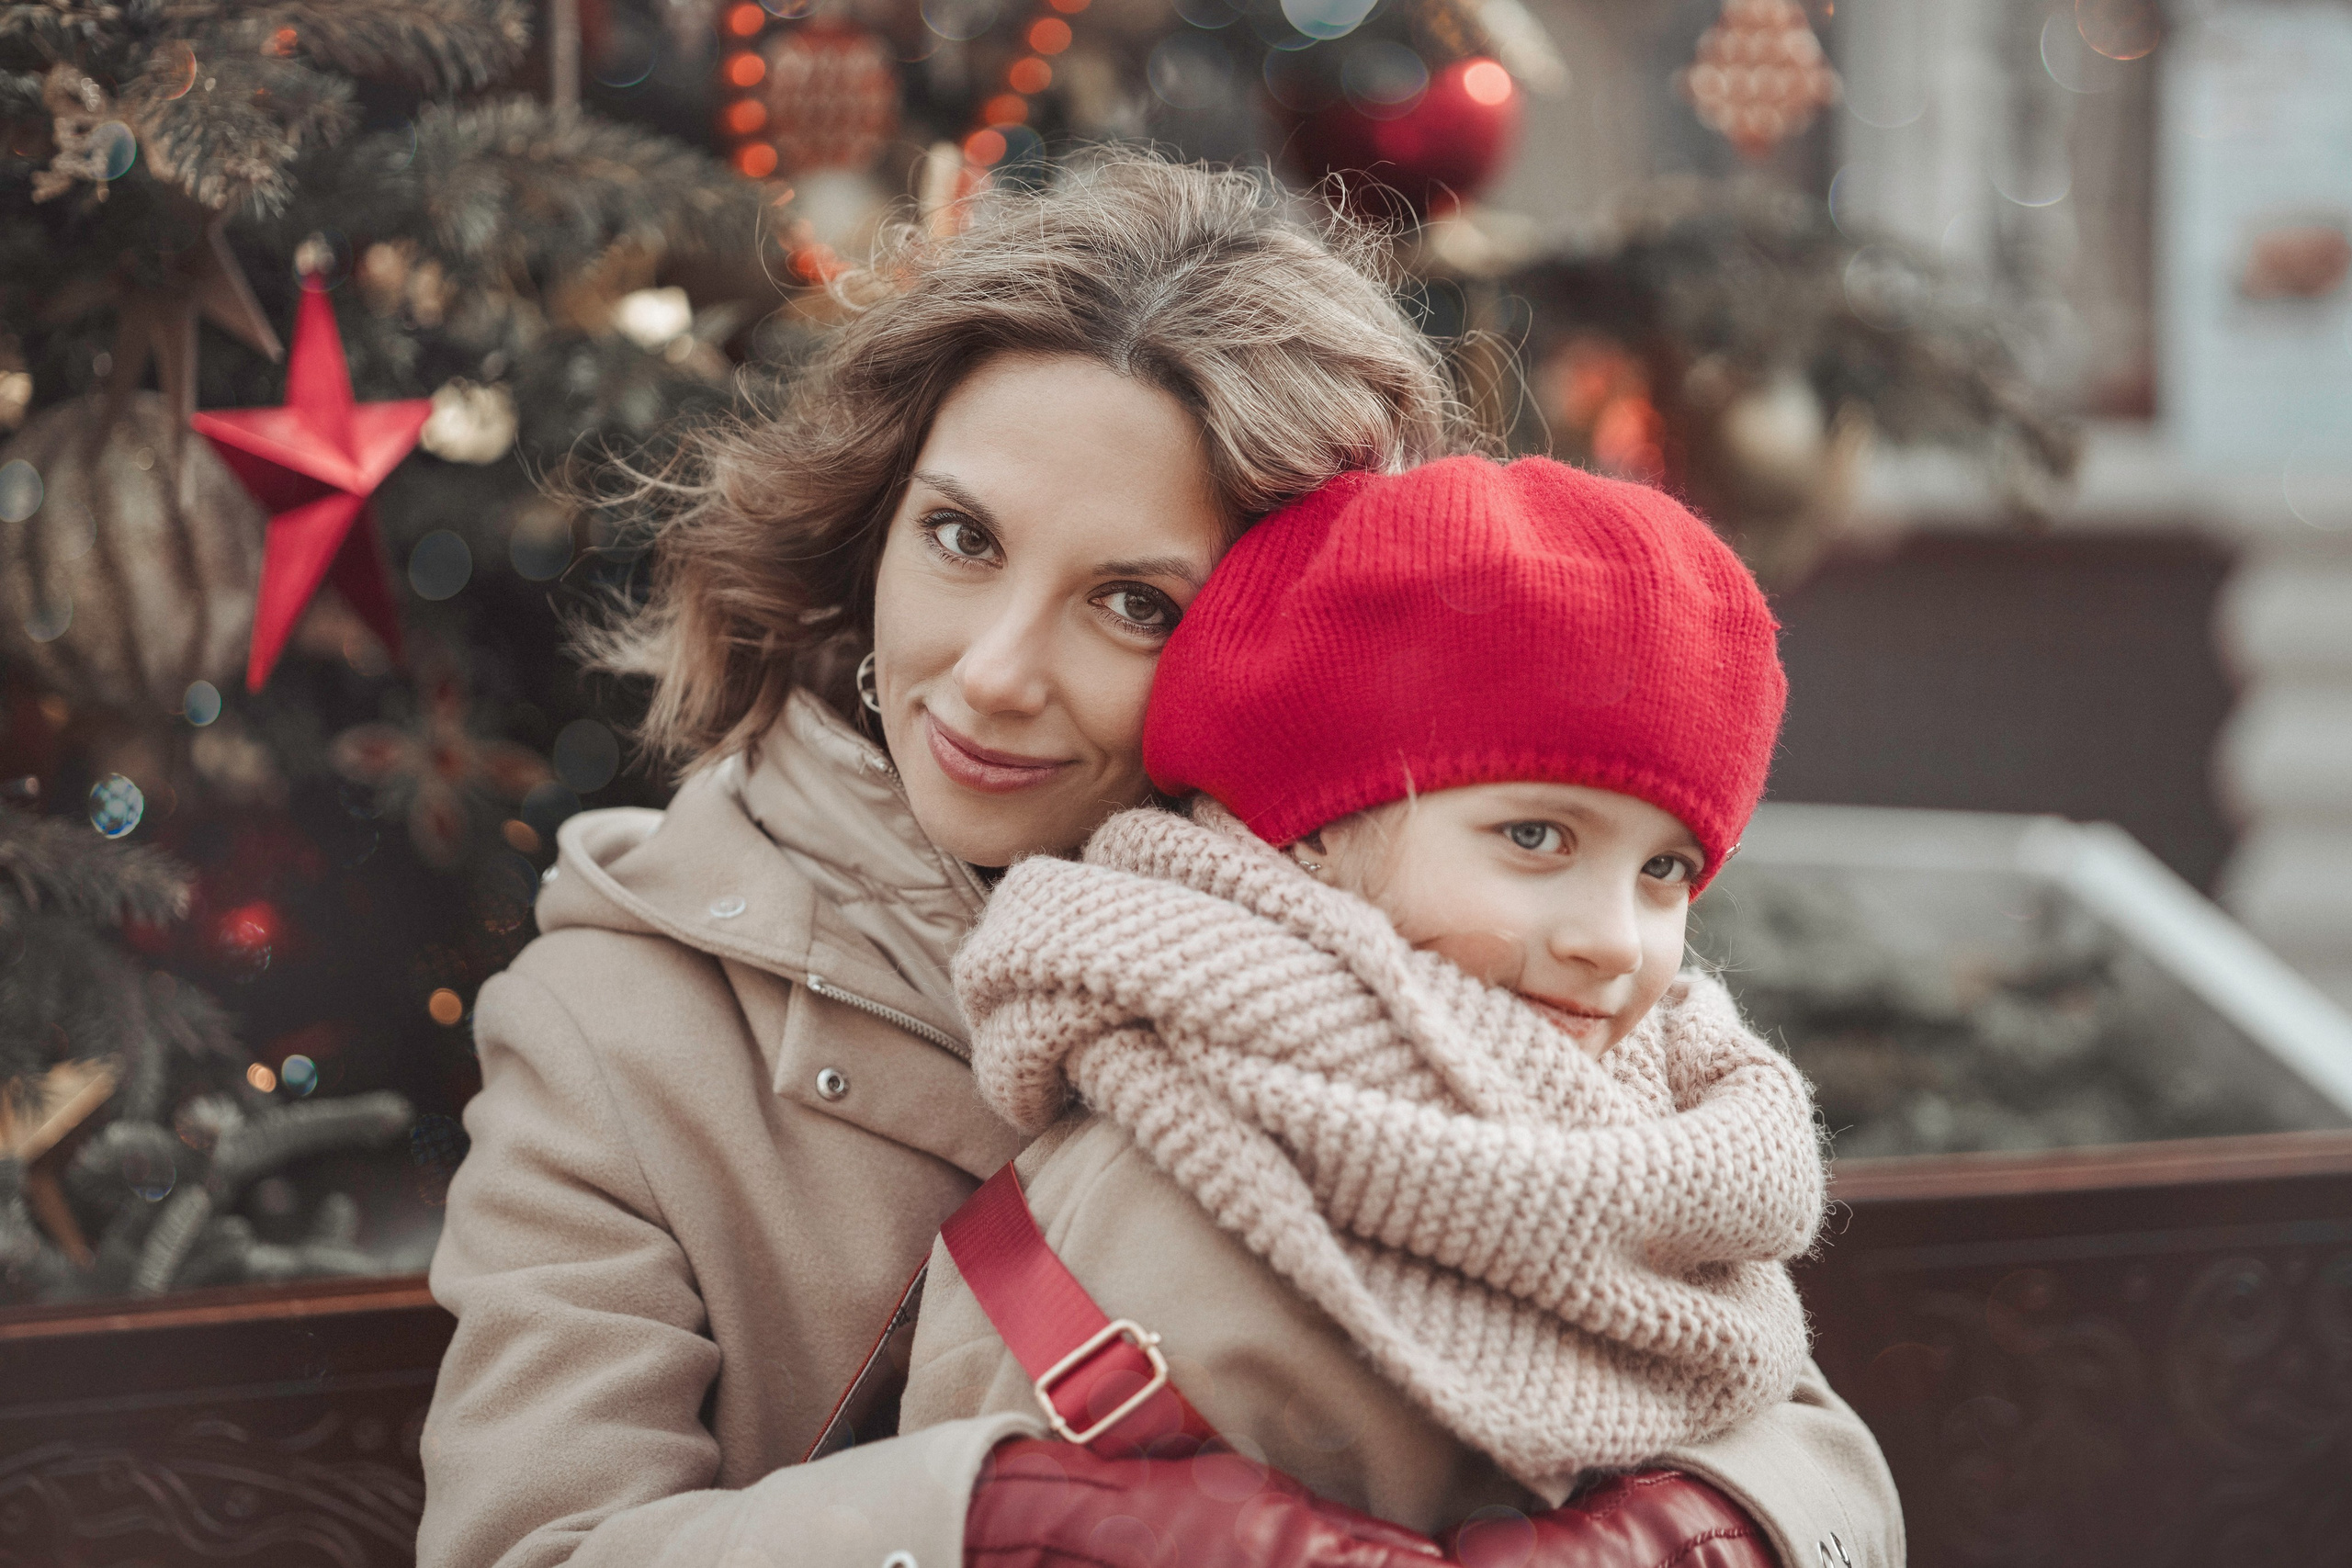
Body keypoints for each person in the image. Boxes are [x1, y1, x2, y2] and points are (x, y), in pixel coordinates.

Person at [415, 158, 1903, 1568]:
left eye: (1131, 601)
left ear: (1291, 634)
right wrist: (1003, 1523)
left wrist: (1684, 1537)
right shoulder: (618, 1023)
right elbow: (535, 1544)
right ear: (876, 519)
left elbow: (1780, 1422)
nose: (993, 675)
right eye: (961, 536)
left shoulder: (1453, 937)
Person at [908, 454, 1830, 1540]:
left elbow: (1819, 1452)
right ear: (1314, 835)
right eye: (1533, 838)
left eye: (1664, 871)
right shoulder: (1180, 1187)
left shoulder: (1658, 1151)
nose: (1611, 941)